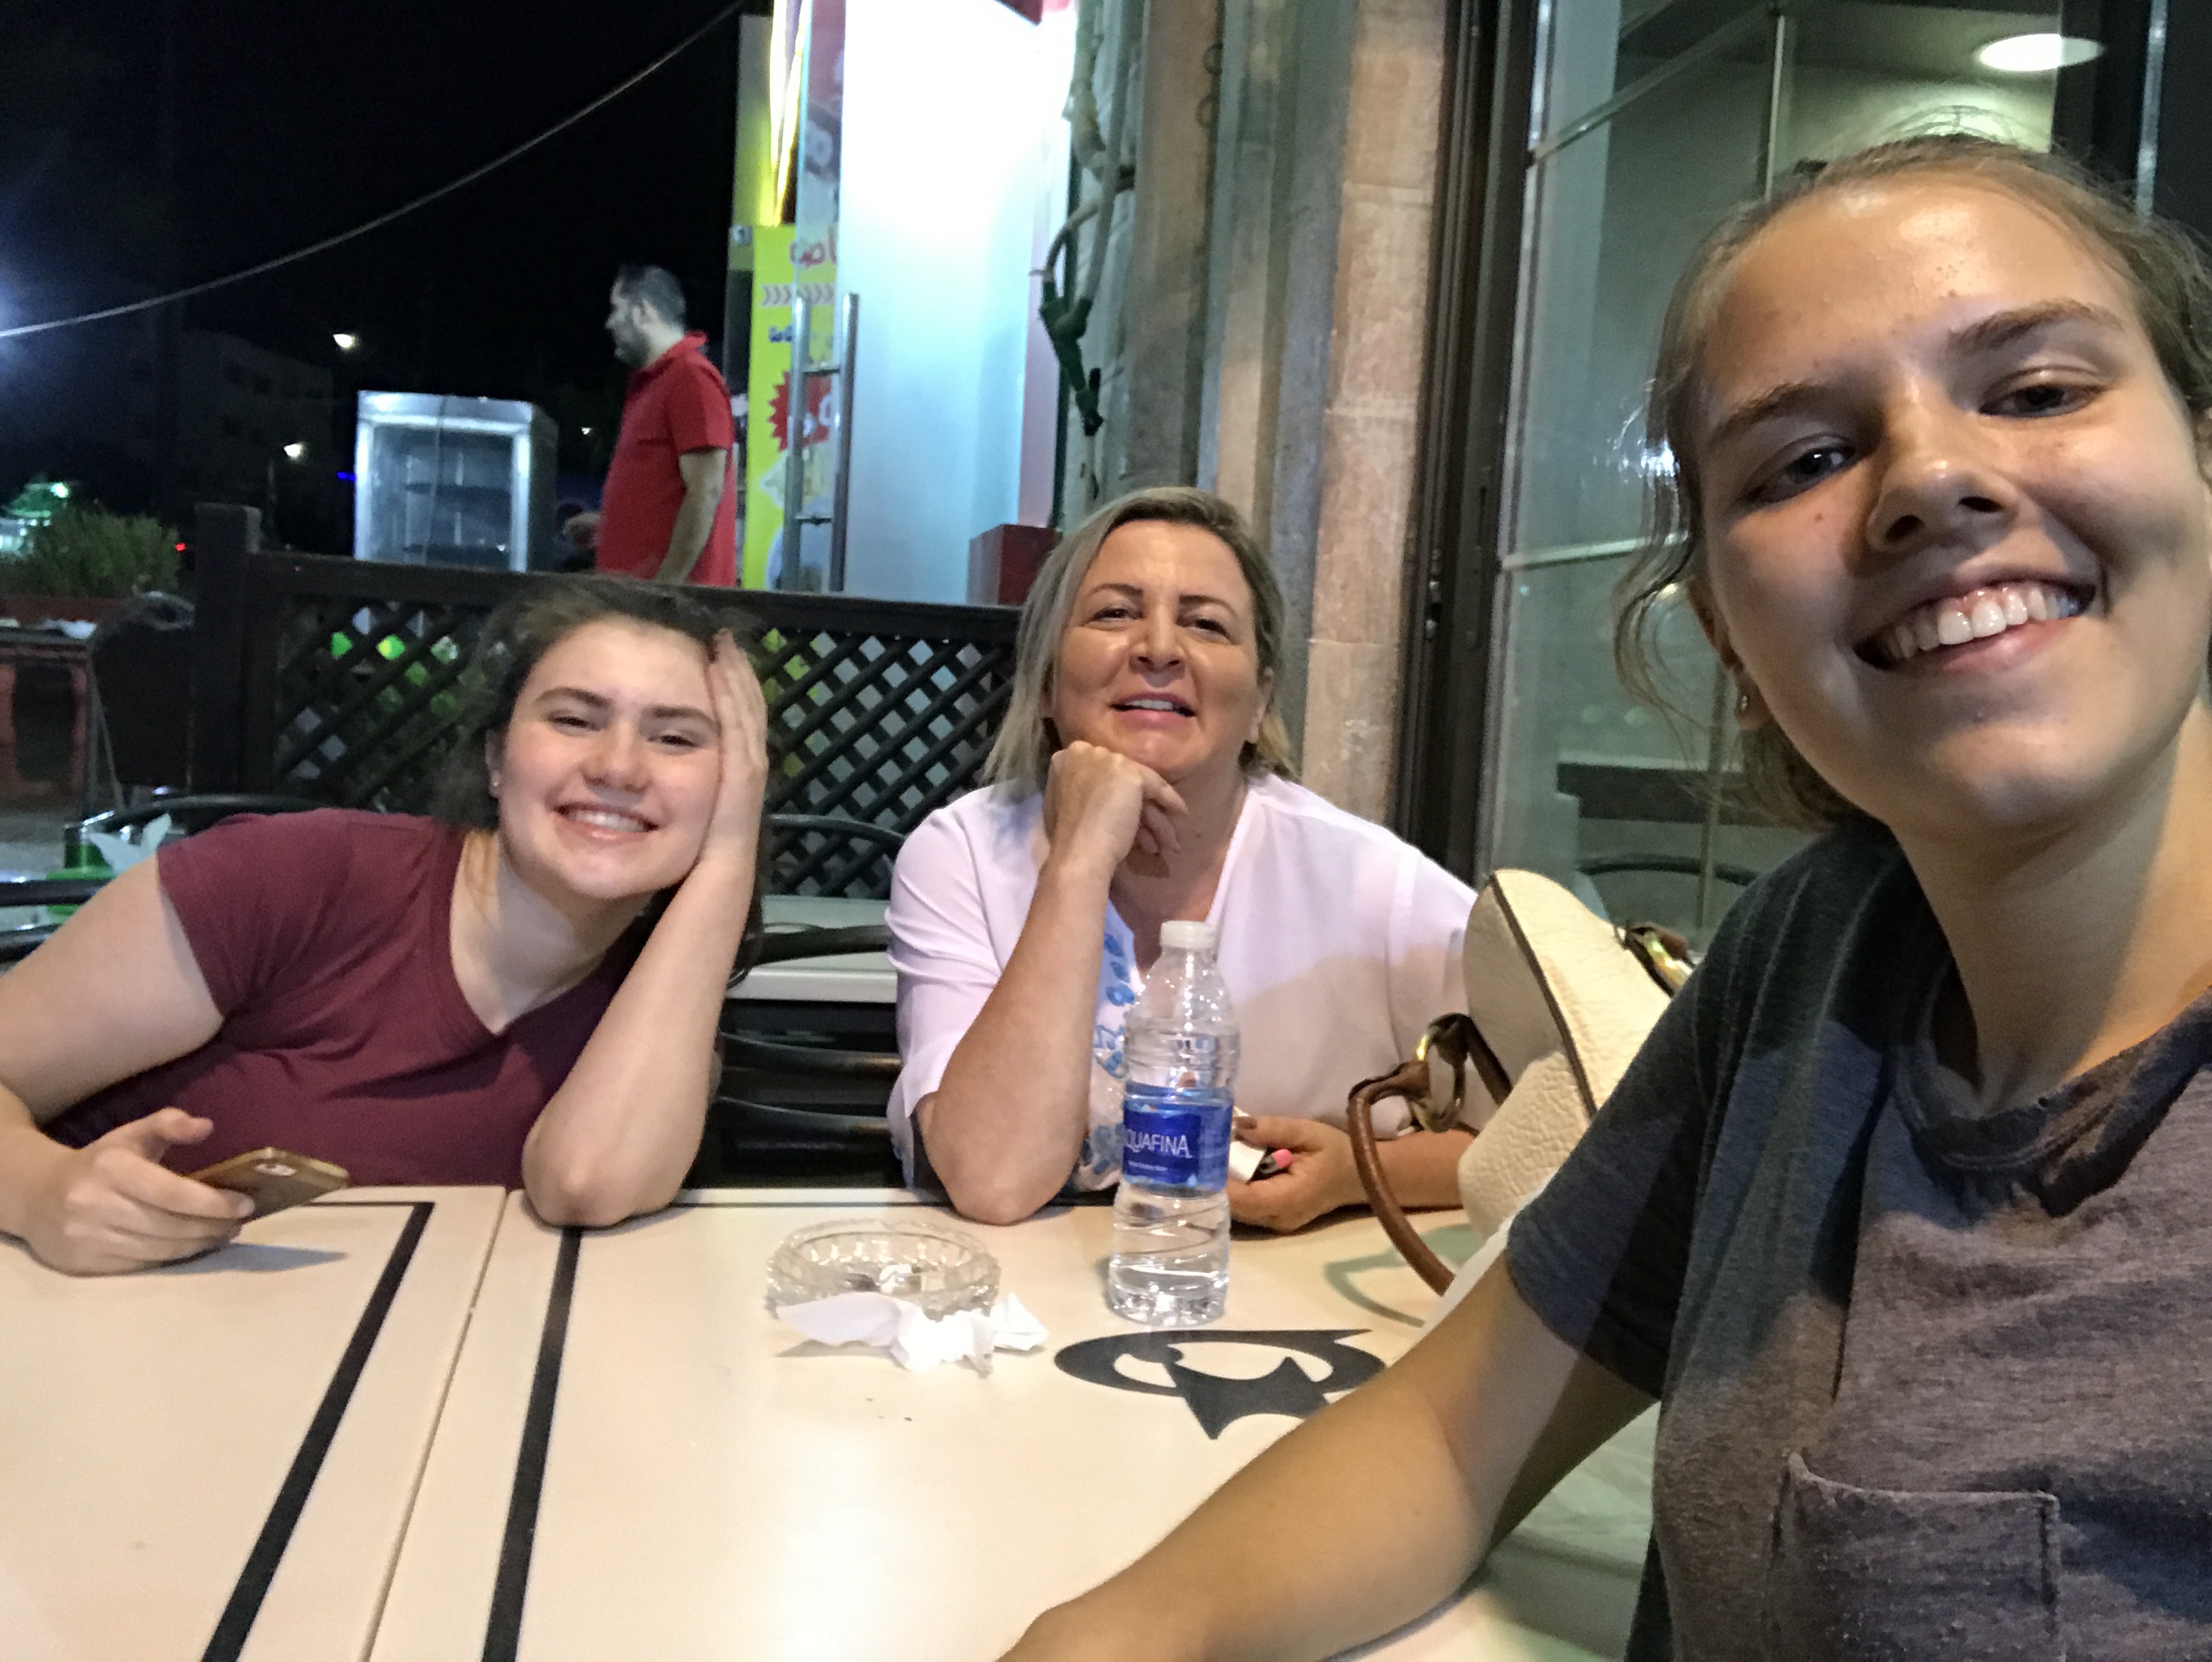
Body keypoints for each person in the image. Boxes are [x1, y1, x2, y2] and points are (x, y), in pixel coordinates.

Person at [1006, 135, 2212, 1658]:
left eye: (2034, 388)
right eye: (1804, 460)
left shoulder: (1362, 866)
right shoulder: (1807, 957)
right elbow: (1451, 1439)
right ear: (1724, 633)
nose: (1927, 480)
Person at [0, 576, 767, 1275]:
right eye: (573, 719)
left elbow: (584, 1184)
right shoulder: (293, 879)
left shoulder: (661, 991)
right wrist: (42, 1193)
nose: (619, 767)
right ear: (498, 761)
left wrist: (730, 853)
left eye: (676, 738)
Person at [888, 486, 1479, 1231]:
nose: (1159, 648)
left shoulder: (1368, 880)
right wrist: (1077, 863)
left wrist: (1357, 1175)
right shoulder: (962, 855)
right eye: (1113, 613)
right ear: (1043, 679)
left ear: (1260, 701)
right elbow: (993, 1179)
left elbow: (1570, 1127)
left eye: (1205, 623)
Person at [564, 265, 738, 587]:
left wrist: (664, 588)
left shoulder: (690, 377)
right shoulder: (658, 382)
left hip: (671, 610)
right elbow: (670, 495)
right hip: (644, 603)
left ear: (643, 311)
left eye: (616, 309)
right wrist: (611, 526)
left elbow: (705, 490)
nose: (609, 323)